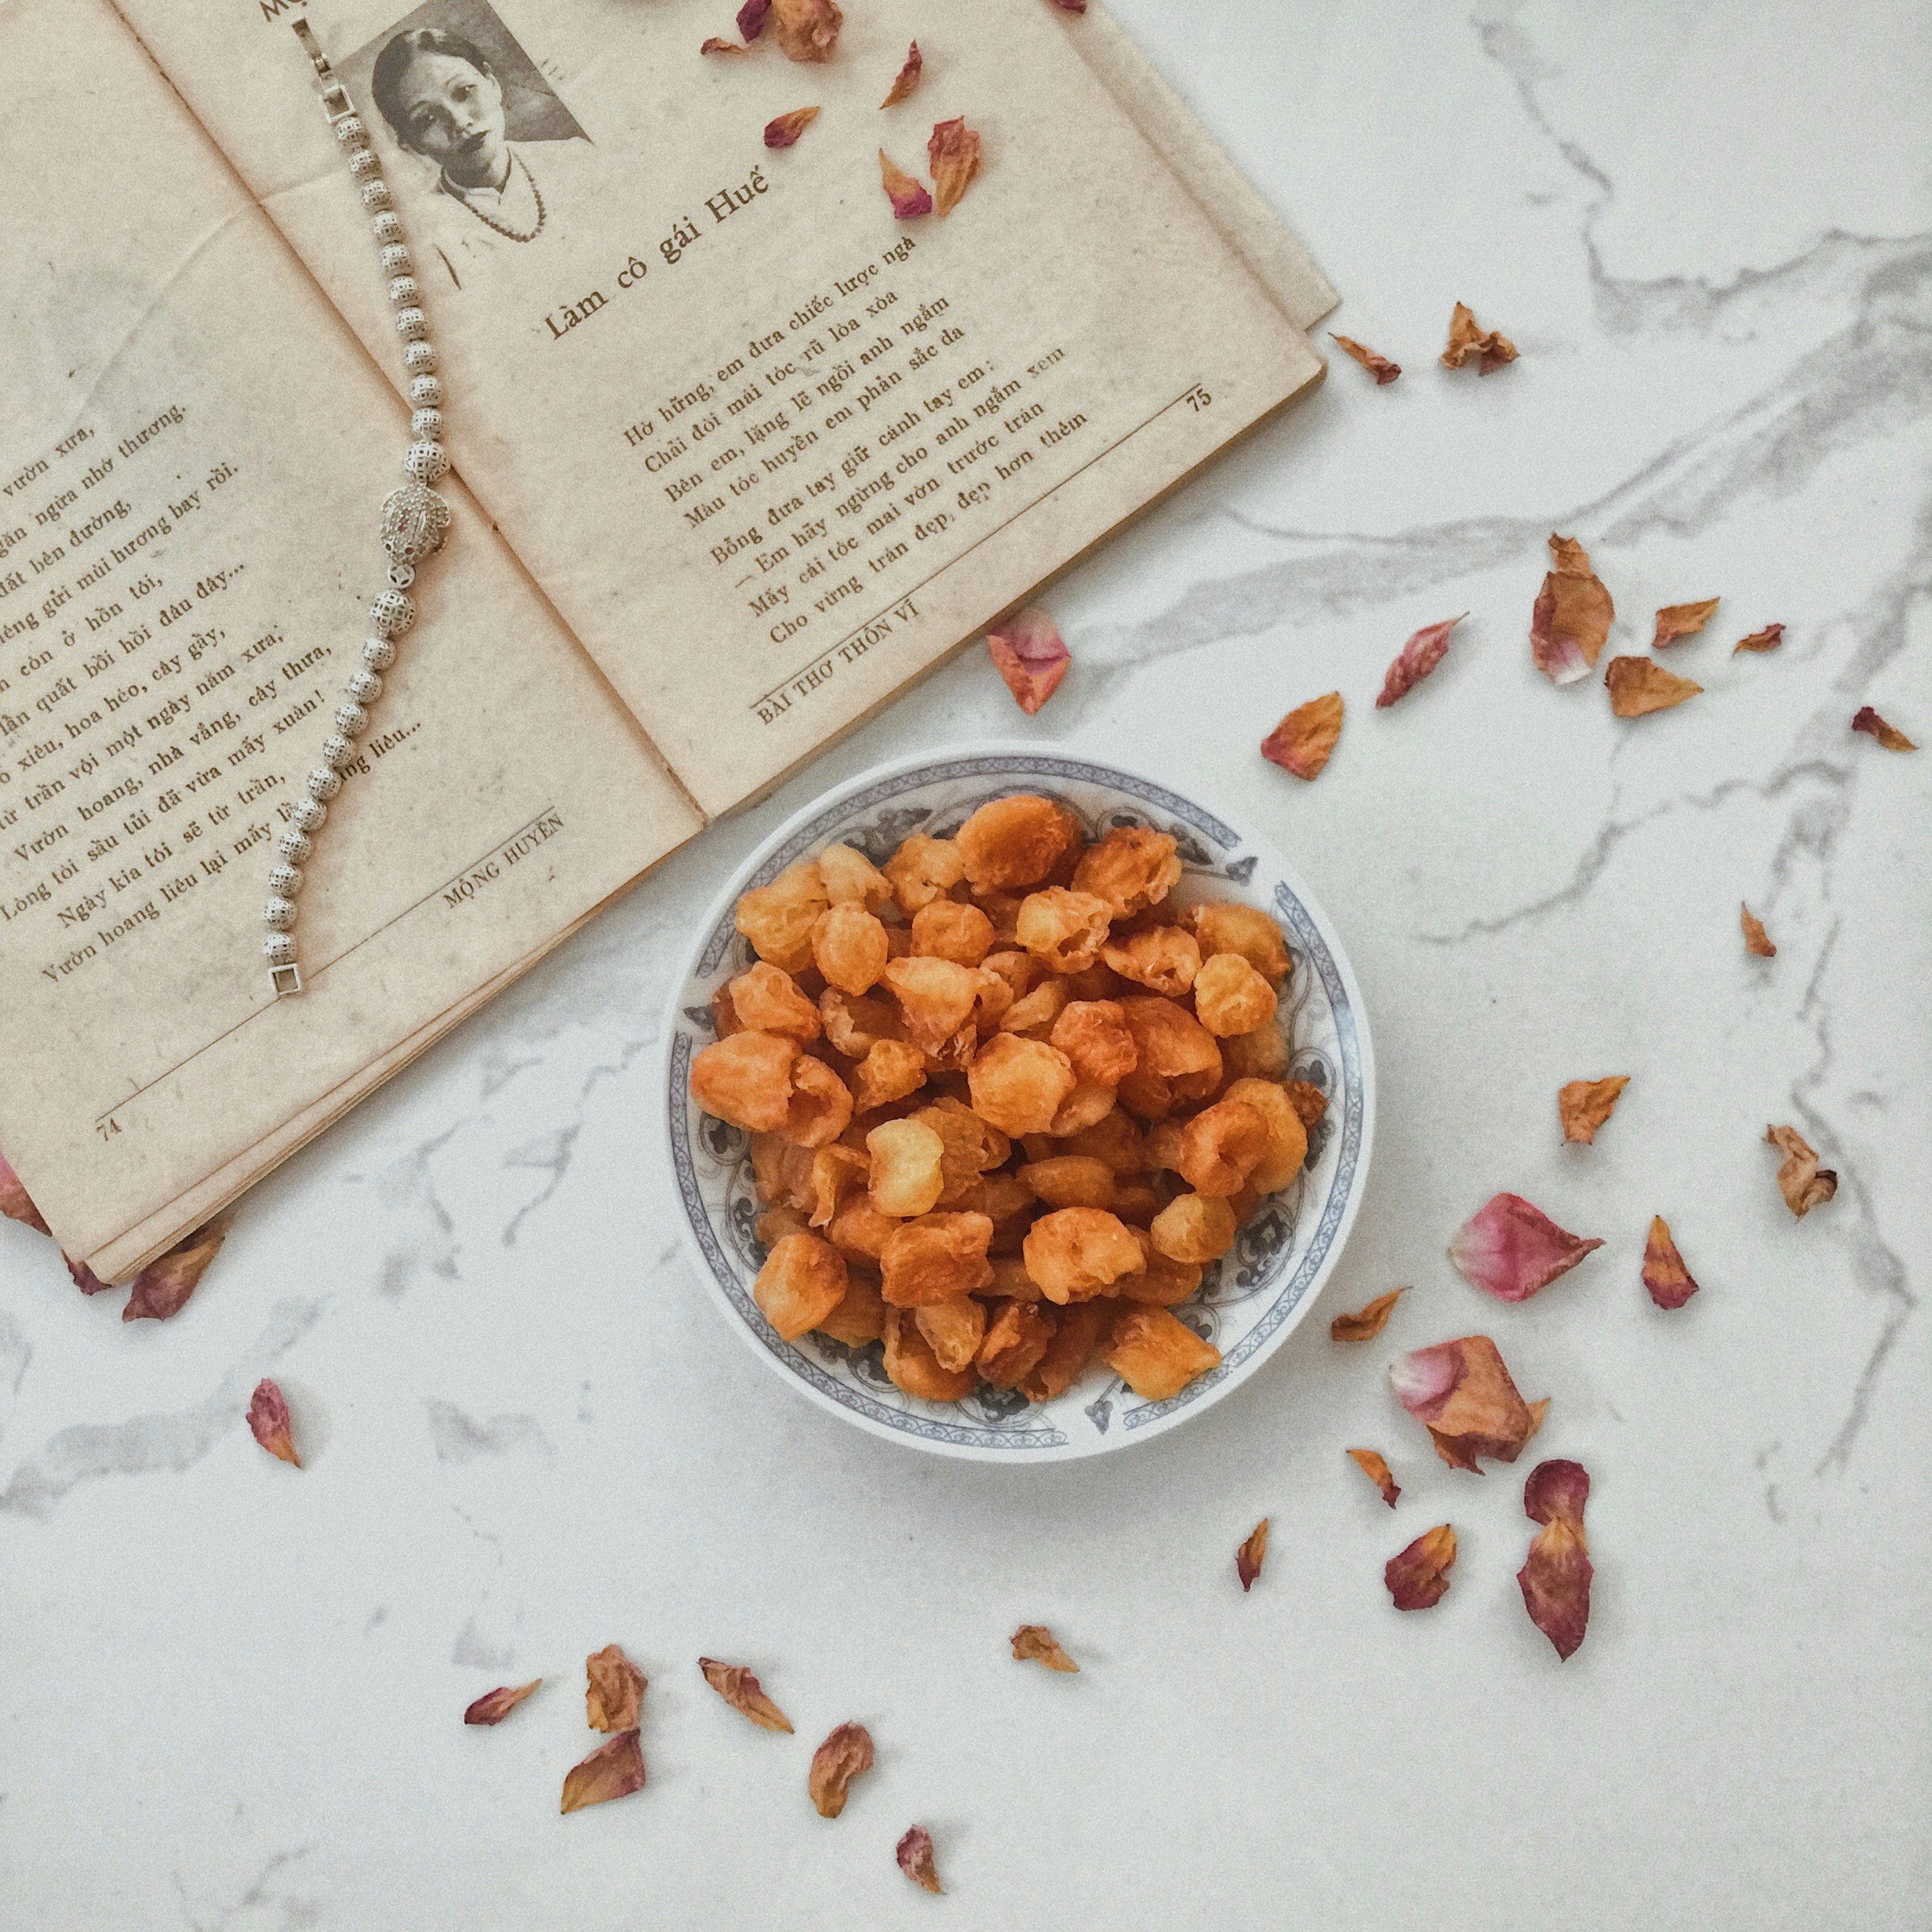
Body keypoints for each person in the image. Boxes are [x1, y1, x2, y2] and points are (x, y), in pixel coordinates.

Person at [369, 26, 592, 277]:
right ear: (410, 144)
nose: (460, 121)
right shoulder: (428, 243)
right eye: (428, 118)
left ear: (492, 83)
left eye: (463, 92)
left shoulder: (577, 159)